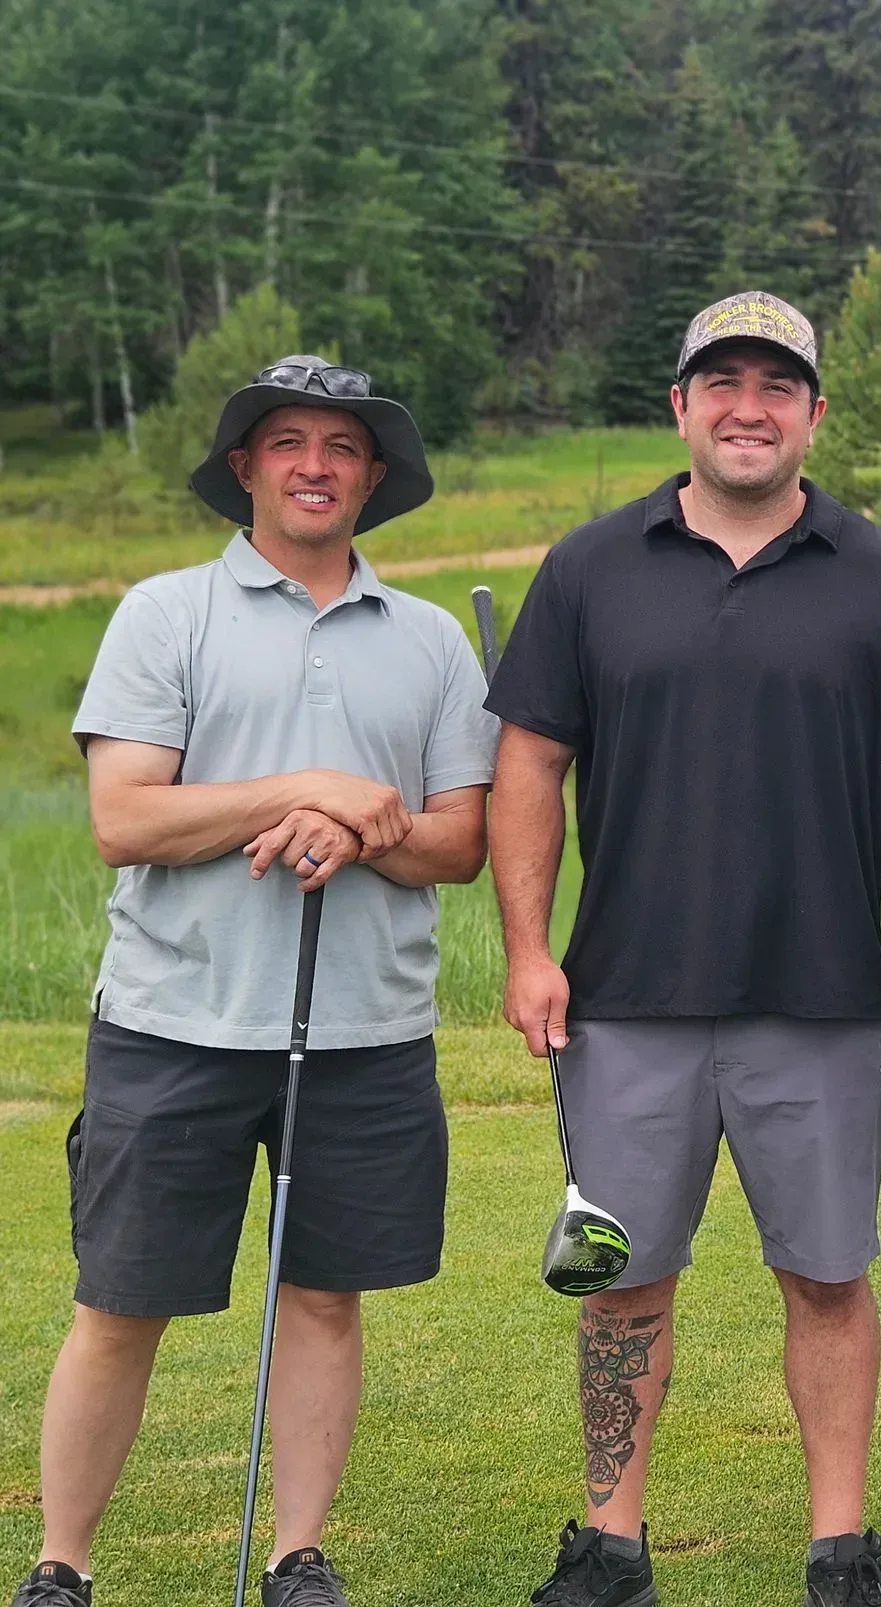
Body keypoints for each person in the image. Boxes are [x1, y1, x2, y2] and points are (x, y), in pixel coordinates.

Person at [484, 291, 881, 1607]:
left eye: (776, 384)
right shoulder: (590, 567)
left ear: (814, 412)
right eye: (723, 382)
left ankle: (839, 1545)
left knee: (825, 1275)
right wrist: (528, 946)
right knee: (621, 1282)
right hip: (624, 1001)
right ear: (681, 405)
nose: (748, 406)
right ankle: (610, 1544)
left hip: (817, 1003)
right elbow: (528, 762)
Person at [12, 358, 497, 1607]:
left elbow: (458, 840)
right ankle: (62, 1562)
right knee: (119, 1302)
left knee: (323, 1298)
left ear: (375, 476)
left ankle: (297, 1553)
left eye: (343, 446)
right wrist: (308, 788)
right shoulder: (165, 612)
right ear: (244, 467)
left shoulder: (434, 639)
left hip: (364, 1030)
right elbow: (125, 819)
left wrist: (363, 826)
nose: (315, 465)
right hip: (176, 1016)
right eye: (287, 441)